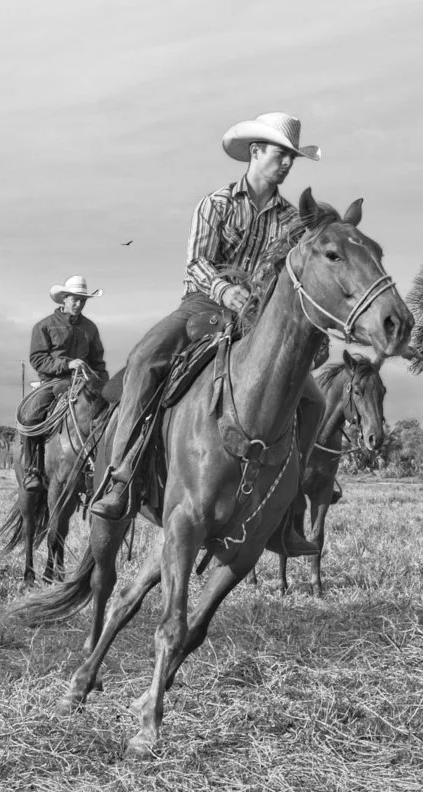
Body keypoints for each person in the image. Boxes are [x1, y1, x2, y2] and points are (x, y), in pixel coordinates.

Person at [87, 112, 326, 556]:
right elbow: (196, 263)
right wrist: (227, 290)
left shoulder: (291, 220)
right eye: (281, 155)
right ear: (256, 152)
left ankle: (286, 512)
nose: (287, 165)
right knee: (144, 359)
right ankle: (120, 476)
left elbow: (291, 275)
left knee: (314, 400)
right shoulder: (216, 203)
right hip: (203, 307)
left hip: (256, 321)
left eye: (292, 158)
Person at [21, 276, 109, 489]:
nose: (79, 304)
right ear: (64, 299)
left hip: (86, 383)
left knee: (110, 412)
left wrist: (103, 383)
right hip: (54, 381)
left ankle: (105, 468)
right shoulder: (44, 326)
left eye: (82, 300)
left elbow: (98, 361)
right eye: (75, 299)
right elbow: (38, 359)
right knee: (31, 415)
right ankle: (32, 469)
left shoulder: (90, 328)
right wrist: (67, 364)